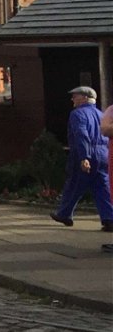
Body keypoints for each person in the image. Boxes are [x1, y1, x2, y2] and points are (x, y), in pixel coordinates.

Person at [51, 86, 113, 231]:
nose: (72, 99)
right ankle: (110, 218)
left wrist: (84, 157)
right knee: (102, 187)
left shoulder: (77, 114)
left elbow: (81, 134)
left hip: (86, 153)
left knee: (74, 184)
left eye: (75, 96)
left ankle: (64, 214)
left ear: (85, 98)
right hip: (103, 154)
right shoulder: (100, 114)